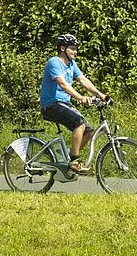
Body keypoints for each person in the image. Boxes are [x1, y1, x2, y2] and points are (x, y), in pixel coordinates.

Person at [40, 33, 106, 176]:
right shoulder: (54, 62)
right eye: (72, 48)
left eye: (76, 49)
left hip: (64, 103)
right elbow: (63, 84)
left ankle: (69, 158)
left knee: (89, 130)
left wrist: (100, 95)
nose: (75, 52)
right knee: (79, 123)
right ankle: (74, 161)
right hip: (51, 104)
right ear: (63, 48)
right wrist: (80, 97)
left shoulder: (71, 64)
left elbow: (83, 80)